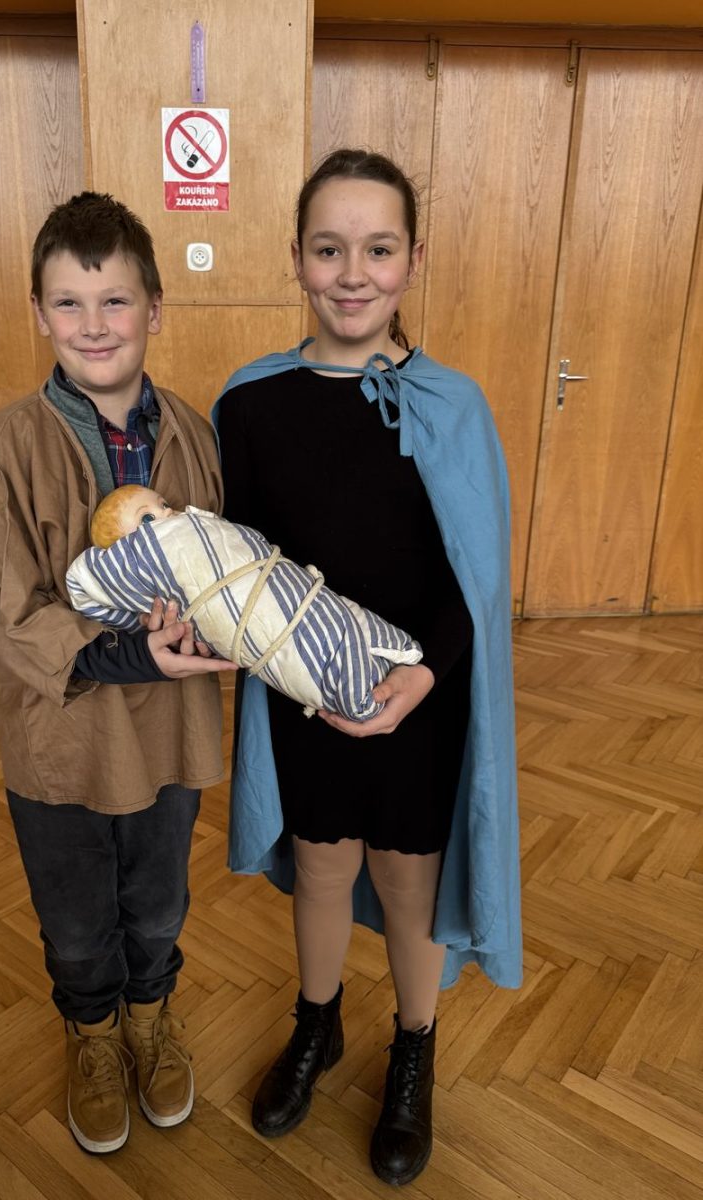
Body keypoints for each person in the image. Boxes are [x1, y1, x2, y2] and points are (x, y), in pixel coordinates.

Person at [213, 149, 520, 1187]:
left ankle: (413, 1050)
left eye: (379, 250)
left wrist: (424, 676)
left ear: (413, 260)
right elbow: (243, 556)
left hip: (417, 697)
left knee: (405, 873)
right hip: (301, 692)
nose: (353, 274)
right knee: (321, 861)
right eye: (329, 249)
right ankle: (319, 1023)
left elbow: (474, 576)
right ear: (297, 258)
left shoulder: (454, 404)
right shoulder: (251, 402)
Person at [0, 191, 236, 1157]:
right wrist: (120, 652)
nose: (94, 324)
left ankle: (150, 1020)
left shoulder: (194, 433)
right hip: (62, 737)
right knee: (76, 919)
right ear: (39, 314)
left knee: (158, 901)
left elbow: (226, 568)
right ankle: (92, 1035)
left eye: (115, 300)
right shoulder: (5, 444)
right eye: (69, 303)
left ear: (155, 307)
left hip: (170, 730)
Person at [66, 484, 424, 723]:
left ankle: (395, 654)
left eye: (162, 504)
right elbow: (82, 585)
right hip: (263, 635)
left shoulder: (195, 512)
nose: (168, 513)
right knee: (317, 647)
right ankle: (361, 694)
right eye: (147, 518)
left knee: (338, 615)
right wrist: (139, 625)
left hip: (293, 586)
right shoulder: (144, 555)